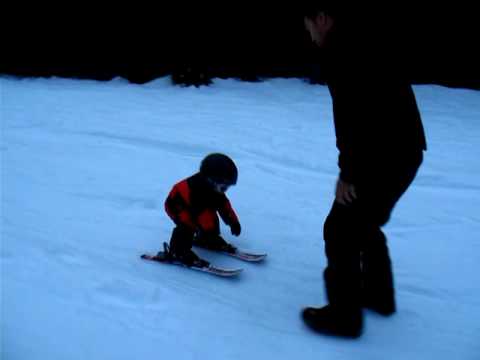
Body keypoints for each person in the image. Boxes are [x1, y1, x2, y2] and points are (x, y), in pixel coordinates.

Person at [300, 3, 427, 338]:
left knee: (340, 230)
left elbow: (355, 119)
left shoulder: (342, 52)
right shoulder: (362, 42)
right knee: (364, 222)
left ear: (323, 18)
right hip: (406, 152)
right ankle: (378, 296)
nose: (309, 34)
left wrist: (349, 173)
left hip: (382, 156)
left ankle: (344, 317)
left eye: (309, 25)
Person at [163, 153, 242, 267]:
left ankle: (206, 239)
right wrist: (208, 231)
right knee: (187, 225)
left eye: (227, 187)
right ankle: (178, 251)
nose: (224, 190)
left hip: (196, 206)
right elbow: (201, 214)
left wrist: (233, 221)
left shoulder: (215, 189)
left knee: (210, 218)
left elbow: (224, 205)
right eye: (223, 186)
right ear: (211, 180)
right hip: (177, 205)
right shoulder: (195, 190)